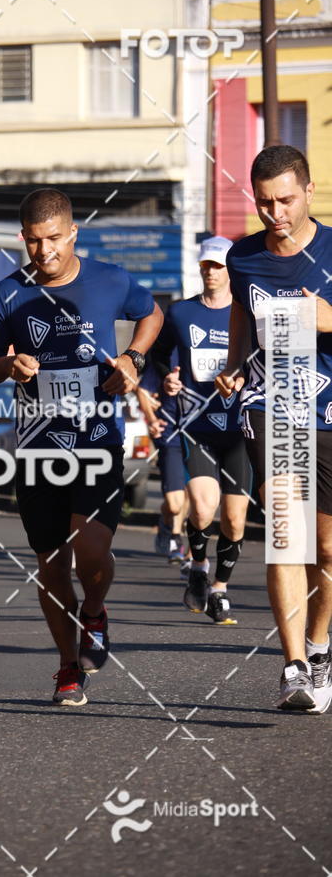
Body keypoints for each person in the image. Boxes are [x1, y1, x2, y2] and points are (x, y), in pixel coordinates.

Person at [0, 188, 163, 705]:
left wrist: (134, 360)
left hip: (98, 438)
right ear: (23, 239)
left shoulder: (108, 279)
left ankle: (95, 612)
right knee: (52, 563)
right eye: (33, 242)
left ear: (73, 232)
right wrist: (7, 366)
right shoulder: (7, 294)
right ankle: (66, 667)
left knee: (92, 552)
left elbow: (152, 316)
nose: (44, 251)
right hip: (38, 446)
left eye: (54, 239)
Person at [216, 145, 332, 713]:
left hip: (330, 407)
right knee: (288, 529)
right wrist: (236, 363)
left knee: (328, 548)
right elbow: (241, 311)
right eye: (264, 202)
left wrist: (323, 317)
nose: (275, 213)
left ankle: (320, 644)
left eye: (285, 199)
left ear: (309, 190)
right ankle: (292, 667)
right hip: (274, 401)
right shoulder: (242, 258)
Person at [152, 236, 251, 625]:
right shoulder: (180, 313)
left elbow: (263, 361)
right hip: (197, 426)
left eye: (219, 266)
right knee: (203, 508)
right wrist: (168, 378)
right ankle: (197, 564)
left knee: (234, 521)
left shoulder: (246, 314)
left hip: (240, 429)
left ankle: (220, 588)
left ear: (231, 271)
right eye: (206, 265)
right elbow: (157, 355)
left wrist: (243, 378)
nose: (211, 272)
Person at [136, 353, 187, 565]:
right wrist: (152, 419)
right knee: (175, 504)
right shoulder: (167, 352)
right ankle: (167, 525)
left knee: (193, 493)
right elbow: (143, 389)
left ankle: (177, 538)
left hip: (203, 432)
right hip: (170, 434)